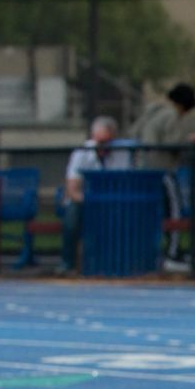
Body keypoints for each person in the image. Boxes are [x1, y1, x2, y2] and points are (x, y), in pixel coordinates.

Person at [128, 83, 195, 269]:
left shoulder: (151, 113)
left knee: (146, 214)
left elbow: (133, 133)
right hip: (161, 170)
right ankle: (172, 254)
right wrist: (191, 139)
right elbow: (172, 143)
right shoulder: (171, 114)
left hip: (142, 170)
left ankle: (143, 253)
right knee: (175, 211)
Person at [56, 116, 134, 275]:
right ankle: (67, 264)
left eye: (108, 142)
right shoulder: (81, 153)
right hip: (85, 201)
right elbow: (73, 189)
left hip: (112, 201)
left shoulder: (122, 152)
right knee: (73, 214)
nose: (103, 148)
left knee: (126, 214)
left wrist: (108, 202)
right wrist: (92, 202)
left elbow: (125, 183)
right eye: (100, 142)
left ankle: (119, 263)